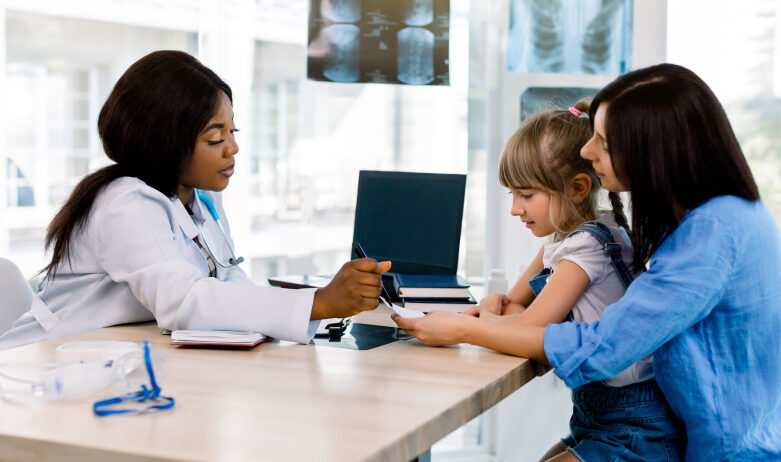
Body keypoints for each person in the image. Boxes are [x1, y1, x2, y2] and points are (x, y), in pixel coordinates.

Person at [394, 63, 781, 461]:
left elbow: (605, 344)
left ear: (655, 152)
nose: (586, 151)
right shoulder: (698, 218)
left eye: (605, 143)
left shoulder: (712, 235)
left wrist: (464, 328)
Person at [0, 50, 390, 350]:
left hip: (115, 359)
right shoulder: (125, 202)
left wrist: (316, 311)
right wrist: (319, 303)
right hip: (40, 369)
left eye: (233, 131)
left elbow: (230, 282)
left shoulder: (199, 201)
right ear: (164, 142)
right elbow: (181, 303)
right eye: (215, 138)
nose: (233, 148)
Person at [402, 102, 685, 461]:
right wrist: (505, 315)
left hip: (636, 427)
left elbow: (526, 325)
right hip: (597, 416)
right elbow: (515, 307)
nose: (515, 209)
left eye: (527, 195)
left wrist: (485, 320)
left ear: (579, 188)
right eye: (512, 194)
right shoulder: (565, 239)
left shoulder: (586, 248)